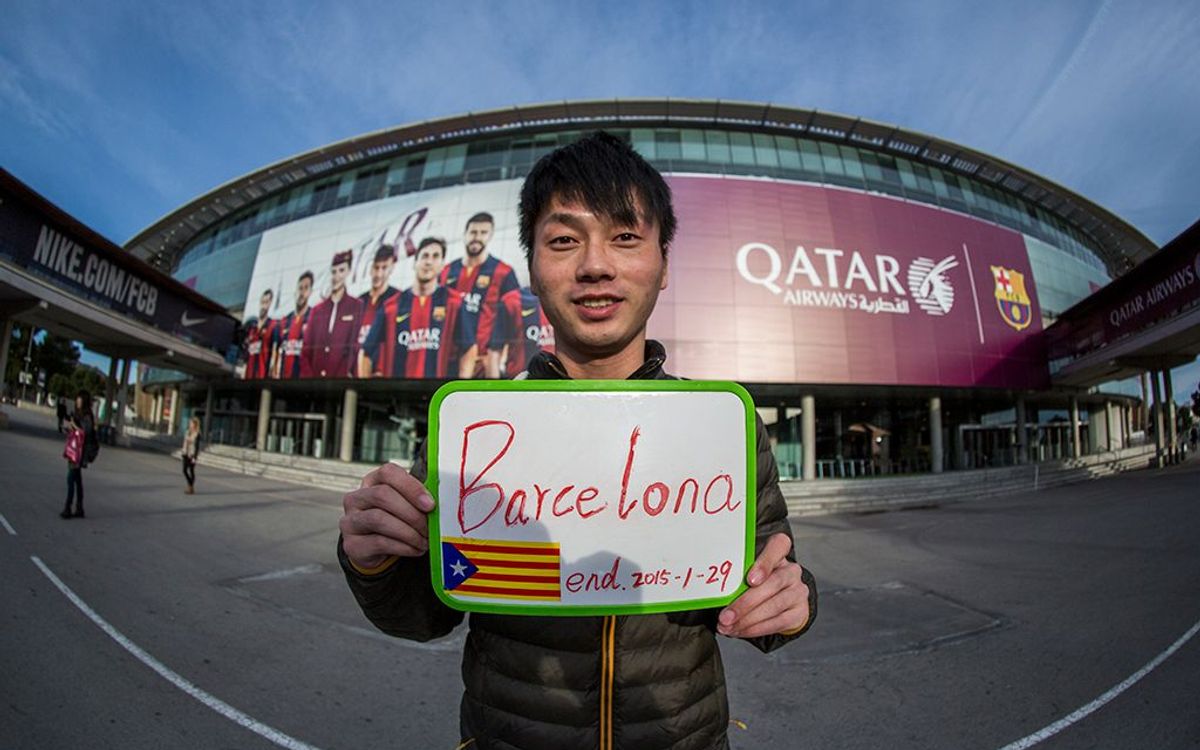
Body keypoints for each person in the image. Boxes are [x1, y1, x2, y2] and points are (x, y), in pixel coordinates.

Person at [338, 132, 817, 749]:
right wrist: (374, 559)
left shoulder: (723, 424)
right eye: (564, 240)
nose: (595, 265)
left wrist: (791, 604)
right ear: (533, 268)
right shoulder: (474, 428)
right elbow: (422, 614)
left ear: (664, 266)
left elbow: (773, 573)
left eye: (625, 237)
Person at [359, 237, 471, 378]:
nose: (428, 262)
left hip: (437, 389)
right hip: (399, 390)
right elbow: (366, 352)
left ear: (442, 265)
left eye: (435, 257)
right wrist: (366, 387)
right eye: (424, 256)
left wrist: (461, 387)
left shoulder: (454, 302)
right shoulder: (391, 306)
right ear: (415, 263)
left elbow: (469, 348)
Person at [438, 212, 521, 378]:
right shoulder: (447, 271)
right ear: (465, 234)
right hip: (449, 363)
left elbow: (514, 318)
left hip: (484, 364)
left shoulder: (503, 272)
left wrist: (498, 358)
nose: (477, 237)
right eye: (473, 232)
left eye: (483, 233)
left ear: (490, 236)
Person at [301, 250, 365, 379]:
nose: (337, 276)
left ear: (348, 271)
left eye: (341, 270)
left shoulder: (356, 306)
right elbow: (306, 351)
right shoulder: (317, 310)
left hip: (340, 383)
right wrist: (309, 381)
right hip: (315, 384)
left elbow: (353, 349)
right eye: (334, 271)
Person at [272, 271, 314, 379]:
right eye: (300, 288)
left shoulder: (315, 319)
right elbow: (275, 350)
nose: (302, 292)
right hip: (283, 381)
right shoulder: (284, 321)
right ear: (295, 291)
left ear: (310, 292)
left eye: (306, 288)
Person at [61, 389, 95, 519]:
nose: (77, 402)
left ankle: (68, 507)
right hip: (74, 450)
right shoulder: (78, 414)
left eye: (79, 400)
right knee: (77, 480)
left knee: (71, 479)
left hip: (79, 452)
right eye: (77, 399)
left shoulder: (87, 416)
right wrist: (69, 427)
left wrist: (74, 425)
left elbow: (85, 432)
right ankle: (79, 507)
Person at [243, 289, 276, 380]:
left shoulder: (272, 326)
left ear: (270, 303)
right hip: (248, 378)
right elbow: (246, 357)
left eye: (266, 302)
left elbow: (275, 351)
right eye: (262, 302)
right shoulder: (252, 328)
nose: (263, 306)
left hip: (262, 378)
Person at [182, 417, 201, 494]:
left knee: (191, 470)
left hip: (192, 454)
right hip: (185, 453)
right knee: (184, 470)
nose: (190, 424)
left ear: (195, 425)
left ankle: (190, 487)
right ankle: (190, 485)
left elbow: (197, 446)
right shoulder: (187, 432)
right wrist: (183, 451)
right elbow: (184, 442)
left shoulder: (197, 434)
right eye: (190, 423)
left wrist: (195, 457)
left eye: (191, 423)